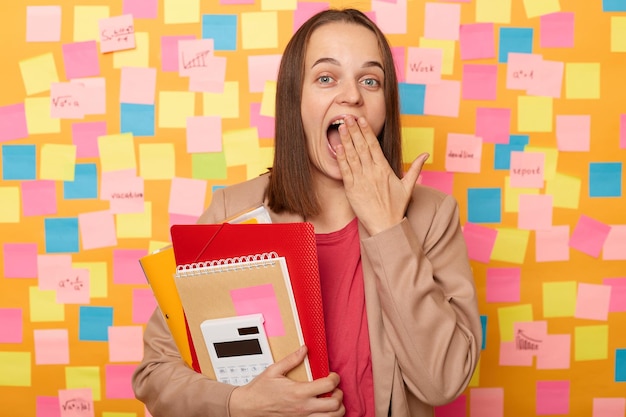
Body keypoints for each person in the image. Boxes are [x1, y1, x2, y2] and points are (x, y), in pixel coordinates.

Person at [132, 8, 482, 417]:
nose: (352, 96)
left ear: (385, 108)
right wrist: (238, 403)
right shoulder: (234, 212)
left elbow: (443, 382)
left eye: (370, 80)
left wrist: (388, 227)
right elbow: (154, 374)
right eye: (326, 78)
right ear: (294, 100)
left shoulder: (431, 216)